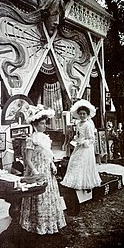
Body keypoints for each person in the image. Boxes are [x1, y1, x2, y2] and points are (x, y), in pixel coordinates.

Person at [19, 104, 66, 235]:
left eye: (45, 123)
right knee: (38, 197)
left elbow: (48, 155)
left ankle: (50, 224)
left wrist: (52, 165)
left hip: (46, 170)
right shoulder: (31, 139)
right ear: (35, 125)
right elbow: (27, 159)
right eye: (42, 124)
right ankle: (36, 225)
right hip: (36, 170)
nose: (44, 126)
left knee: (48, 196)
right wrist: (35, 173)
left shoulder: (45, 138)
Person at [61, 99, 102, 191]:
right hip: (78, 146)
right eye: (80, 114)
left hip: (86, 148)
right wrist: (75, 139)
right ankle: (74, 181)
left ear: (87, 115)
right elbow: (78, 134)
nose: (82, 116)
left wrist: (83, 142)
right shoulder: (78, 123)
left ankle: (84, 183)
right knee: (74, 161)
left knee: (82, 163)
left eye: (84, 114)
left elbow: (91, 139)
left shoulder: (88, 125)